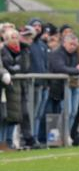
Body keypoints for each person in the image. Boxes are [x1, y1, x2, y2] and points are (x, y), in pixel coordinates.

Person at [28, 18, 49, 146]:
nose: (37, 28)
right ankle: (30, 137)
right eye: (34, 25)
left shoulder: (42, 45)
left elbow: (45, 65)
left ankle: (35, 137)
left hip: (43, 85)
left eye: (39, 26)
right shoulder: (28, 43)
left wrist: (47, 83)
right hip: (32, 84)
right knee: (32, 113)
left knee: (39, 114)